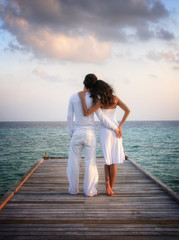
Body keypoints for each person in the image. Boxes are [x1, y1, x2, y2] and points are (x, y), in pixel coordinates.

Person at [67, 74, 119, 197]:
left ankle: (73, 190)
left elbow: (69, 116)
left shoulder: (73, 97)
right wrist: (115, 128)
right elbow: (102, 117)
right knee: (90, 162)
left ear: (83, 82)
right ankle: (89, 191)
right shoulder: (95, 98)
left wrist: (71, 132)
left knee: (73, 162)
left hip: (77, 132)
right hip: (90, 133)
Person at [78, 80, 130, 196]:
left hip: (104, 131)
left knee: (108, 159)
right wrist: (120, 126)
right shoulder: (115, 99)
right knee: (114, 161)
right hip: (116, 129)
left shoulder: (99, 101)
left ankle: (106, 183)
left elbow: (86, 113)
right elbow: (128, 110)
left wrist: (82, 99)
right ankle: (111, 187)